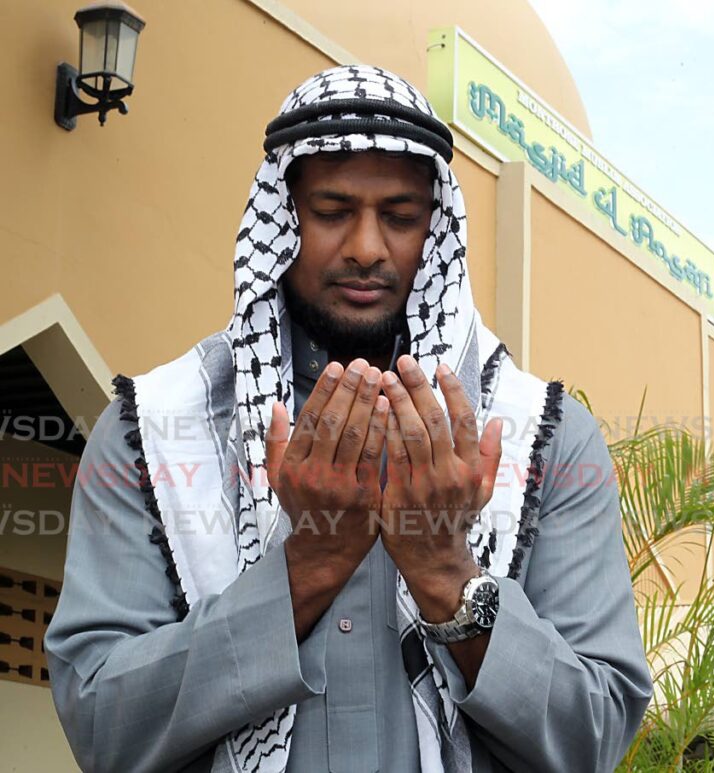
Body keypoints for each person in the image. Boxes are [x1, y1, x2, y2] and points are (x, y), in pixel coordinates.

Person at [44, 64, 653, 773]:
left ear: (434, 229)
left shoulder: (542, 436)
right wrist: (307, 565)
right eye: (331, 212)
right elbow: (101, 726)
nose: (367, 247)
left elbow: (596, 737)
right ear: (282, 215)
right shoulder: (152, 431)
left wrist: (446, 573)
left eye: (399, 217)